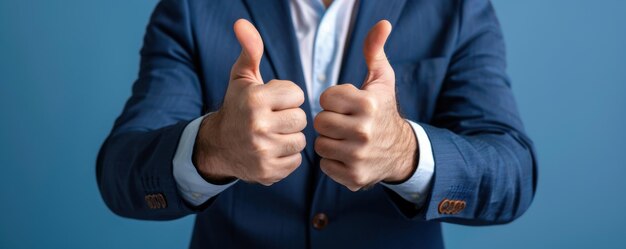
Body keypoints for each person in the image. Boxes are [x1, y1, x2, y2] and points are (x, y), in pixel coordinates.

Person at [97, 0, 537, 248]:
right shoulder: (192, 8)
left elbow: (513, 173)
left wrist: (405, 153)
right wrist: (213, 147)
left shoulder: (458, 8)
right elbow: (121, 173)